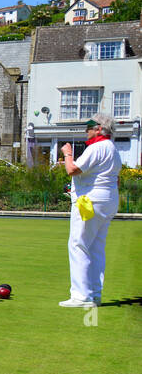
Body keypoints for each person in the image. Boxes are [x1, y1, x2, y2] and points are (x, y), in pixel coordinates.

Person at [60, 113, 121, 308]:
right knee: (96, 247)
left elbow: (72, 170)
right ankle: (94, 293)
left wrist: (68, 154)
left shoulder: (97, 147)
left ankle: (80, 296)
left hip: (90, 201)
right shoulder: (112, 149)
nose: (86, 130)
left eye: (90, 126)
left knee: (79, 244)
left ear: (100, 129)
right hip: (108, 199)